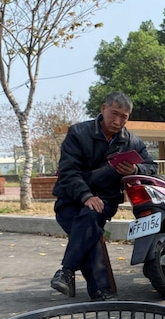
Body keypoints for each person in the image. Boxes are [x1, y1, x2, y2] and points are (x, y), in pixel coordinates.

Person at [50, 91, 157, 300]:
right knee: (90, 227)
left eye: (124, 117)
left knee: (90, 219)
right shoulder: (78, 133)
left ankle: (67, 272)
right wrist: (86, 196)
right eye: (114, 114)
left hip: (106, 200)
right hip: (70, 200)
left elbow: (152, 167)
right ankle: (101, 290)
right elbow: (68, 172)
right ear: (103, 109)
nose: (117, 121)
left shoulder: (132, 142)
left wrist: (135, 170)